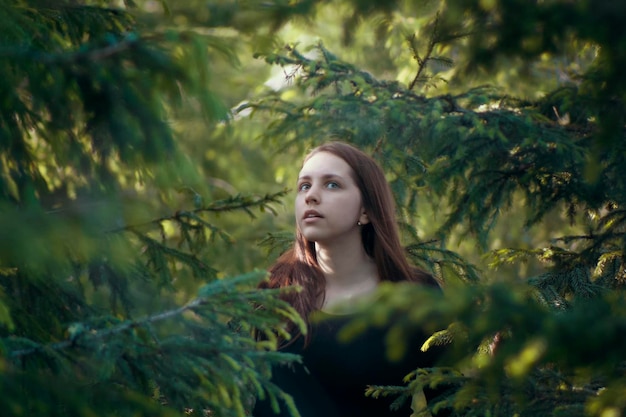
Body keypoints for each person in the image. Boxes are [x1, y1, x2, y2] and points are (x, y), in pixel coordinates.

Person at [254, 142, 445, 417]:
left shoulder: (416, 295)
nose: (311, 196)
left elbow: (449, 401)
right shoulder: (274, 293)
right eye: (304, 186)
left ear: (365, 210)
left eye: (332, 185)